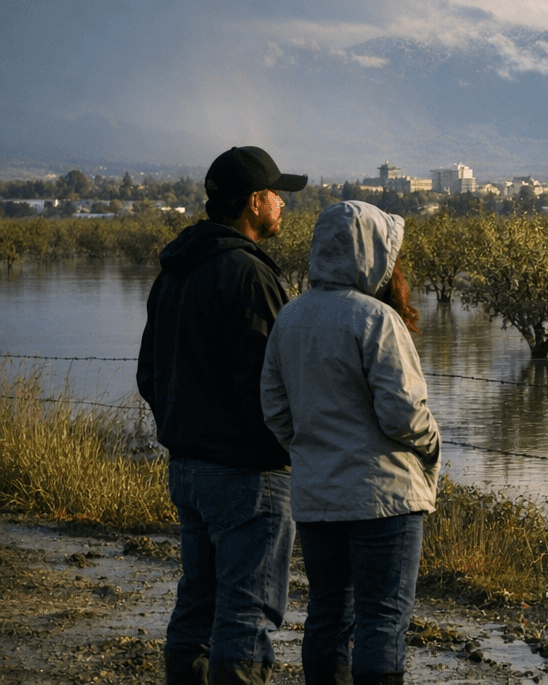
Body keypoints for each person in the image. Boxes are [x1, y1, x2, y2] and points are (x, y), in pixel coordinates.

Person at [138, 146, 308, 685]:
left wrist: (183, 428)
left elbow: (149, 373)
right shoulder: (249, 274)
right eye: (276, 194)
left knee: (196, 605)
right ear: (254, 202)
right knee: (246, 613)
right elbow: (271, 383)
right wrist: (280, 449)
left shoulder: (175, 271)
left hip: (187, 465)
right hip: (246, 473)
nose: (283, 203)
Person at [261, 200, 440, 685]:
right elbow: (403, 414)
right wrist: (432, 445)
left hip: (318, 498)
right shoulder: (377, 320)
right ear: (374, 255)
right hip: (385, 499)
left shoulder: (290, 318)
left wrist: (312, 451)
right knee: (383, 621)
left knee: (326, 616)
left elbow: (276, 412)